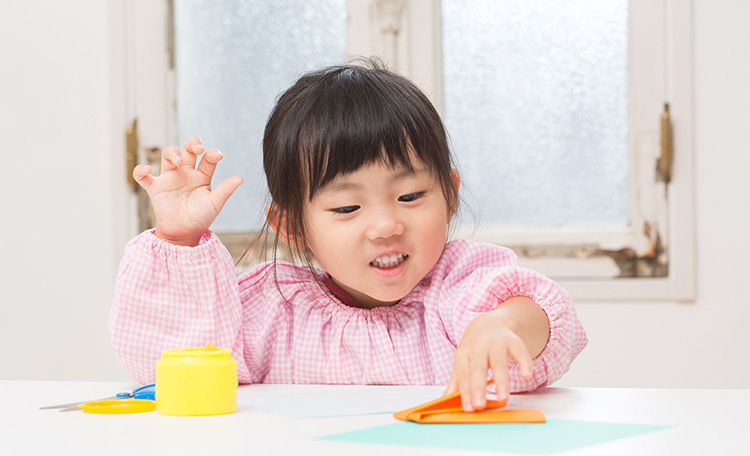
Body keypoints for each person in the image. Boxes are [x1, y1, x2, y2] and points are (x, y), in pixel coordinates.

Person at [110, 61, 587, 412]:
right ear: (294, 227)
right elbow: (169, 372)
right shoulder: (273, 306)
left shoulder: (458, 285)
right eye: (346, 207)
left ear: (451, 194)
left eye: (411, 195)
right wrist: (178, 240)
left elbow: (542, 314)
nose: (385, 225)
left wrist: (501, 325)